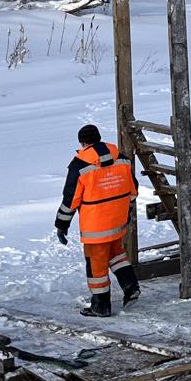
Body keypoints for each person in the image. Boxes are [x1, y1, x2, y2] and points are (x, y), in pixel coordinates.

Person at [55, 123, 140, 317]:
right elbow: (133, 191)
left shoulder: (80, 165)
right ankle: (131, 286)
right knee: (116, 253)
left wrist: (62, 224)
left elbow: (71, 199)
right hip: (117, 220)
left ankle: (101, 306)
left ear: (83, 142)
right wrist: (125, 211)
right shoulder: (122, 159)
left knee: (96, 265)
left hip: (95, 226)